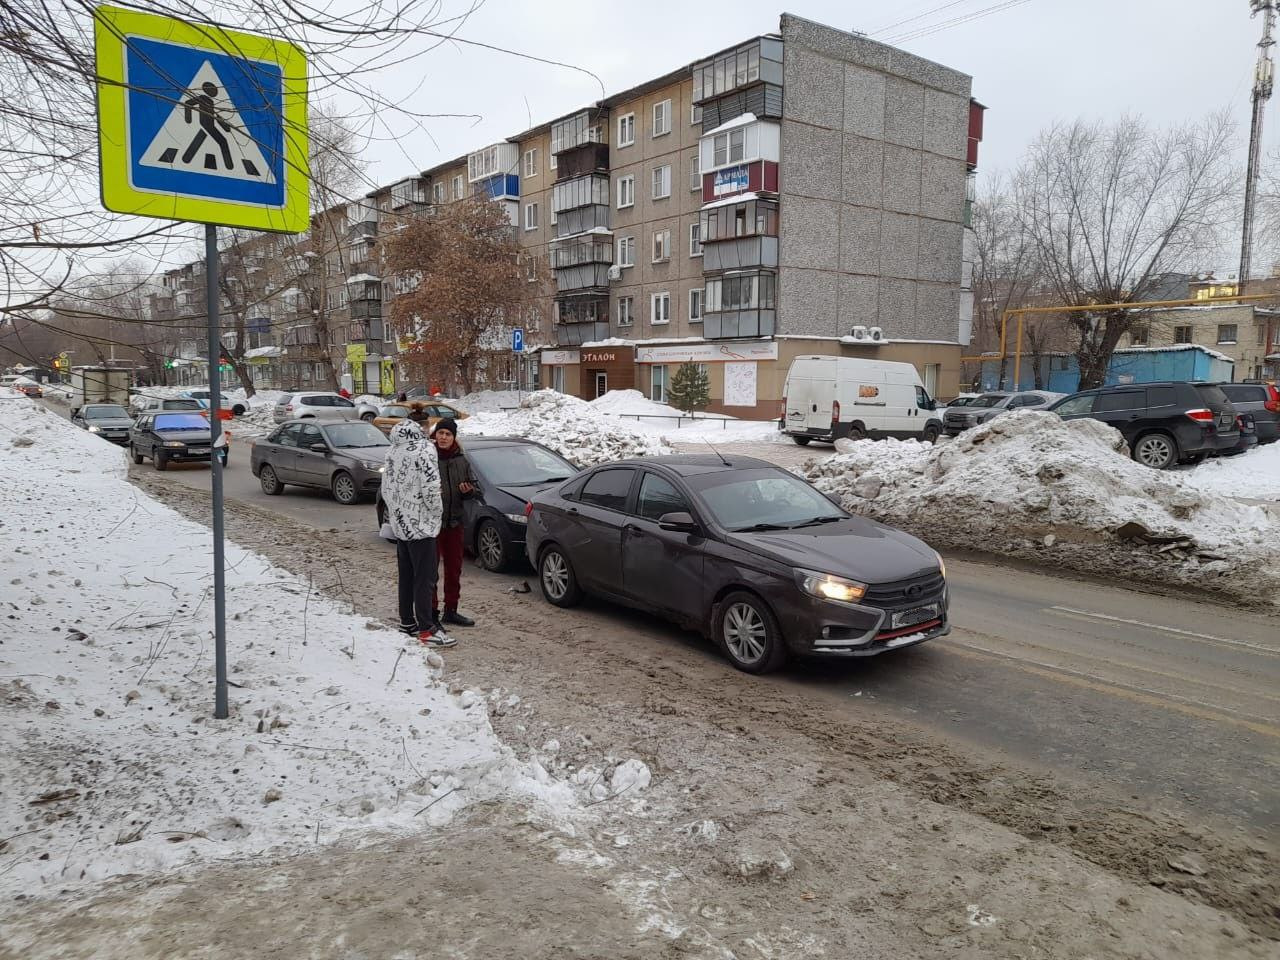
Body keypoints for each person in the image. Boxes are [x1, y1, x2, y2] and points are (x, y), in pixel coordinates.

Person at [381, 420, 455, 647]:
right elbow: (431, 487)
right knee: (426, 578)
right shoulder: (424, 450)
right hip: (422, 525)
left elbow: (385, 489)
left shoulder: (392, 452)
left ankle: (407, 622)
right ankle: (426, 629)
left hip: (402, 526)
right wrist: (437, 513)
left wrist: (396, 515)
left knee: (407, 576)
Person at [430, 418, 478, 628]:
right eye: (440, 433)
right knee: (431, 570)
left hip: (455, 522)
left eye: (447, 434)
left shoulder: (461, 459)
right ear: (435, 435)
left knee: (454, 568)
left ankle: (451, 610)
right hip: (432, 523)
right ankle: (430, 613)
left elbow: (473, 487)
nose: (443, 438)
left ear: (453, 437)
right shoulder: (428, 458)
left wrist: (468, 491)